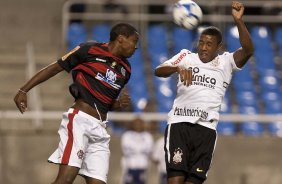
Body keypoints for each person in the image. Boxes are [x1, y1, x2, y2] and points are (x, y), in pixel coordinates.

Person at [14, 23, 139, 184]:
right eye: (134, 41)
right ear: (121, 39)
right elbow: (55, 68)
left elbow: (104, 104)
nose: (136, 47)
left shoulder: (126, 70)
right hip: (80, 121)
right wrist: (24, 90)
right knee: (65, 179)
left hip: (100, 129)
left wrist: (118, 104)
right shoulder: (88, 50)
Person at [154, 2, 254, 184]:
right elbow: (159, 70)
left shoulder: (226, 62)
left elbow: (248, 50)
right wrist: (176, 69)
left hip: (206, 130)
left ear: (218, 47)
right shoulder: (186, 56)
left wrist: (238, 21)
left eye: (209, 44)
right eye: (201, 43)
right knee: (175, 181)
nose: (203, 47)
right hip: (179, 125)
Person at [121, 117, 154, 184]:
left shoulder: (148, 136)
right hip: (130, 166)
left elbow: (149, 150)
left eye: (140, 123)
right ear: (132, 124)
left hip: (143, 166)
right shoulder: (126, 135)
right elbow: (126, 149)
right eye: (136, 123)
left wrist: (137, 149)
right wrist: (140, 149)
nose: (138, 125)